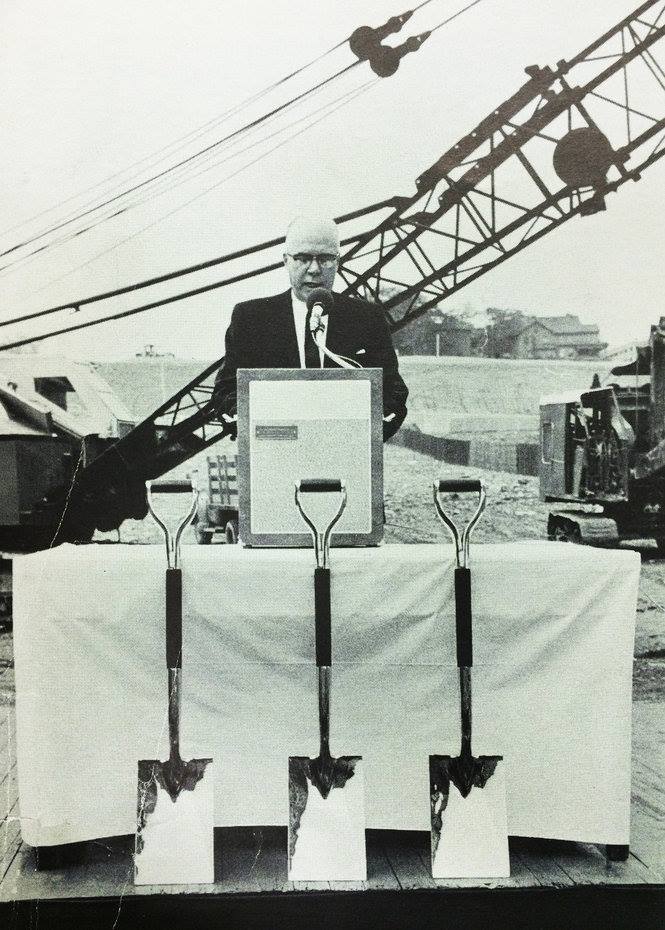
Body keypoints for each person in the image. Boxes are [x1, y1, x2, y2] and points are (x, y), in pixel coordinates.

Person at [213, 215, 408, 440]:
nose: (314, 269)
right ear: (286, 260)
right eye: (303, 258)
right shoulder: (250, 318)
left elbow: (393, 390)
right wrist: (250, 428)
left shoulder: (367, 317)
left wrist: (368, 435)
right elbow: (227, 389)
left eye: (325, 259)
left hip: (348, 451)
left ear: (338, 261)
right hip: (273, 452)